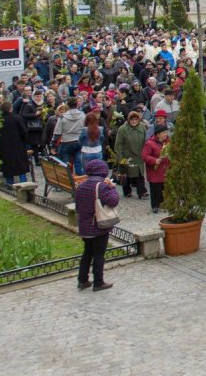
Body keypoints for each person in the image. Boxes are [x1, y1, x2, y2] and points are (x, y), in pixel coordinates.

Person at [73, 158, 119, 291]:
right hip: (98, 226)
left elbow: (78, 207)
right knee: (99, 254)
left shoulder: (81, 186)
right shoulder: (102, 186)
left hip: (85, 227)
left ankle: (82, 280)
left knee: (87, 252)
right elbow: (113, 201)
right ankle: (98, 282)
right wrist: (113, 188)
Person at [113, 111, 148, 200]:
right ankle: (127, 191)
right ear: (129, 120)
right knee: (127, 174)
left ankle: (142, 191)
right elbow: (118, 144)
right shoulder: (122, 129)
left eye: (136, 119)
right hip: (127, 155)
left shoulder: (142, 127)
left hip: (139, 155)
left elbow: (145, 140)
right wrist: (120, 157)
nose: (134, 121)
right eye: (132, 119)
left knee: (140, 174)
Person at [0, 102, 31, 185]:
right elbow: (23, 131)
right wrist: (26, 142)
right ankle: (23, 183)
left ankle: (9, 184)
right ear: (10, 108)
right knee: (21, 166)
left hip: (4, 147)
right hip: (18, 145)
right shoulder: (16, 118)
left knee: (8, 167)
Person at [141, 124, 170, 214]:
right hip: (155, 172)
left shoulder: (168, 142)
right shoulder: (150, 143)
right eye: (164, 132)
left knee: (164, 188)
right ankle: (155, 205)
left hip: (166, 170)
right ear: (158, 134)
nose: (166, 134)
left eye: (166, 132)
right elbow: (144, 156)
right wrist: (155, 160)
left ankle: (164, 203)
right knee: (155, 189)